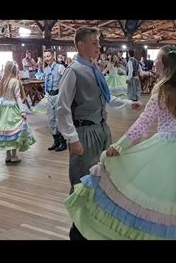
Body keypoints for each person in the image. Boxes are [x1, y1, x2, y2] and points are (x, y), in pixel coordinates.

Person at [64, 45, 176, 240]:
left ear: (167, 66)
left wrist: (119, 145)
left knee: (165, 194)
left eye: (158, 61)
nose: (154, 63)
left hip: (167, 147)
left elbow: (142, 124)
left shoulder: (161, 93)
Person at [56, 27, 142, 240]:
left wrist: (128, 103)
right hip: (84, 132)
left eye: (98, 42)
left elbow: (106, 97)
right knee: (81, 181)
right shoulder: (74, 70)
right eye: (94, 43)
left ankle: (92, 223)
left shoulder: (93, 69)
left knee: (100, 177)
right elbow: (62, 107)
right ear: (81, 45)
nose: (98, 47)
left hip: (102, 129)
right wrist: (72, 138)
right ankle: (77, 230)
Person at [0, 61, 36, 163]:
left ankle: (8, 156)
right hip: (13, 108)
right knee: (15, 132)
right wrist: (23, 111)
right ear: (15, 70)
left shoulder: (3, 81)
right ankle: (14, 156)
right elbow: (18, 97)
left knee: (6, 132)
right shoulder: (15, 81)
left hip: (4, 109)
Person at [43, 49, 67, 152]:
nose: (46, 58)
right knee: (51, 118)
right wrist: (46, 94)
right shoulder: (46, 70)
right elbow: (46, 82)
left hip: (58, 95)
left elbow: (66, 80)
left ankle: (63, 142)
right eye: (45, 57)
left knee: (59, 118)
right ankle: (56, 140)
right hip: (50, 95)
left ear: (53, 56)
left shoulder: (60, 67)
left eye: (48, 56)